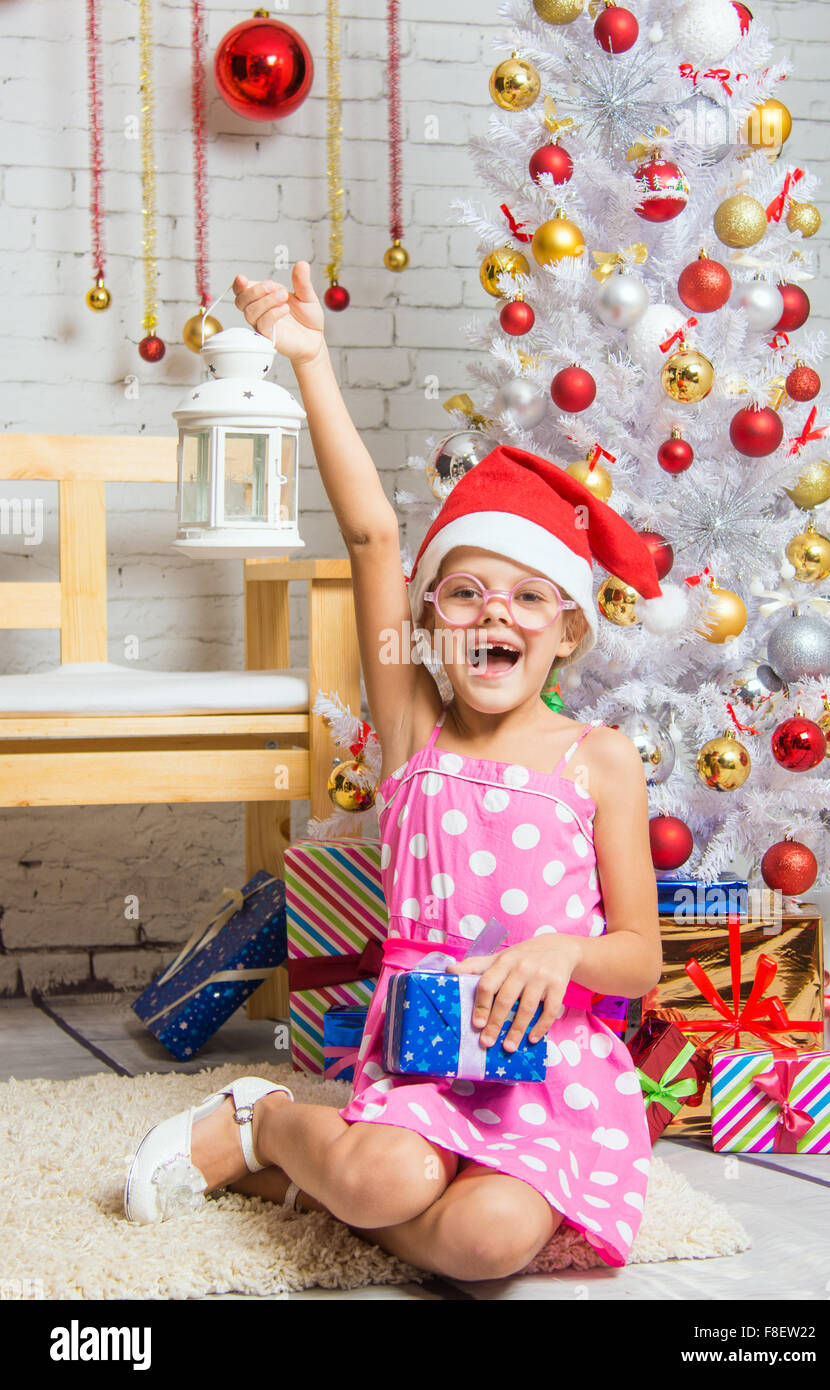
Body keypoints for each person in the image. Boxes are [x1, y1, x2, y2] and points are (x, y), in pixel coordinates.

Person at [124, 262, 663, 1282]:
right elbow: (373, 532)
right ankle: (270, 1124)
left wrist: (560, 952)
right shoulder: (415, 731)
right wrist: (310, 360)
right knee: (386, 1181)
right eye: (461, 592)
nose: (492, 614)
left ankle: (290, 1179)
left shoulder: (600, 760)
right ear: (425, 628)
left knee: (489, 1241)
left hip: (550, 1070)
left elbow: (637, 956)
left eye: (524, 599)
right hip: (420, 1051)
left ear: (566, 629)